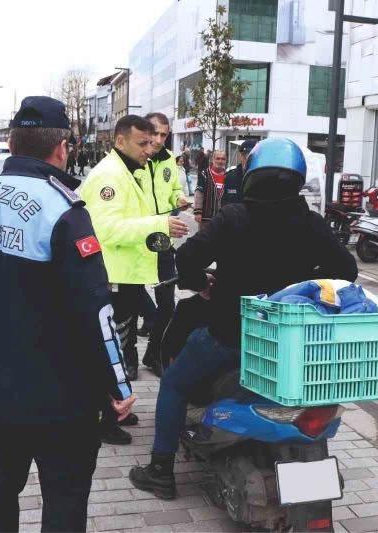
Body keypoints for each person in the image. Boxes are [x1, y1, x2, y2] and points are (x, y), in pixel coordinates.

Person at [0, 96, 136, 533]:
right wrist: (117, 384)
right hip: (62, 396)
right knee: (65, 493)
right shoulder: (64, 210)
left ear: (10, 143)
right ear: (62, 147)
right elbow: (95, 310)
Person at [128, 138, 358, 500]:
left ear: (252, 174)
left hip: (229, 337)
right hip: (286, 341)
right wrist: (309, 280)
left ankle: (161, 470)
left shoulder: (234, 216)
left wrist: (203, 284)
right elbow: (346, 271)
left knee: (173, 383)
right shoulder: (312, 224)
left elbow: (185, 260)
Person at [80, 114, 188, 444]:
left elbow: (135, 219)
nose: (150, 148)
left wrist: (160, 226)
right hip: (110, 277)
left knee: (119, 345)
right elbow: (107, 230)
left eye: (153, 141)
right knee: (107, 351)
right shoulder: (109, 177)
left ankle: (116, 410)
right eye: (142, 142)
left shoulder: (132, 171)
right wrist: (158, 225)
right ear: (120, 141)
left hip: (125, 275)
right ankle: (103, 419)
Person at [135, 113, 189, 377]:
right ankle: (128, 360)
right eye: (154, 133)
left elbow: (173, 189)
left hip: (161, 238)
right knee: (129, 299)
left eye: (163, 135)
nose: (158, 140)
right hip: (135, 237)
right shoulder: (133, 160)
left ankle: (154, 353)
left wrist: (179, 199)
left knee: (168, 303)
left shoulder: (169, 159)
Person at [193, 150, 228, 229]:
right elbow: (199, 192)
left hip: (223, 219)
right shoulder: (204, 174)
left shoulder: (228, 176)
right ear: (213, 160)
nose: (220, 161)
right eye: (218, 158)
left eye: (223, 159)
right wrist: (198, 212)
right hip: (206, 218)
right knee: (204, 240)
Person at [222, 139, 256, 206]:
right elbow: (224, 203)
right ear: (241, 156)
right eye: (245, 155)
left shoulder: (262, 179)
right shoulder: (230, 178)